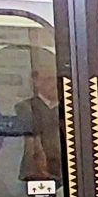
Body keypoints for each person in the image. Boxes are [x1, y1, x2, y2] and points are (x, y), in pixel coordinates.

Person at [15, 46, 64, 183]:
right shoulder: (25, 108)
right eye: (48, 79)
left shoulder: (69, 108)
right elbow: (31, 145)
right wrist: (41, 169)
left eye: (56, 78)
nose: (54, 84)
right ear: (36, 81)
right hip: (38, 178)